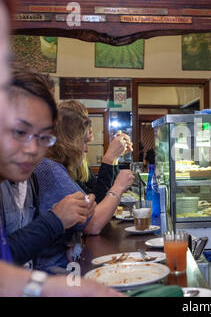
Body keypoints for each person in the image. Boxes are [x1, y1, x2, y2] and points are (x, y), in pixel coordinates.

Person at [0, 0, 122, 296]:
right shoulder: (44, 168)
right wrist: (56, 220)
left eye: (43, 137)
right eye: (20, 132)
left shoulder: (25, 176)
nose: (32, 150)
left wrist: (50, 287)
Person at [33, 101, 135, 272]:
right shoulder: (50, 169)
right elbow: (93, 224)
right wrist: (118, 187)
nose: (86, 149)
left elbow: (92, 202)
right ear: (70, 141)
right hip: (55, 271)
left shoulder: (54, 167)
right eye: (84, 142)